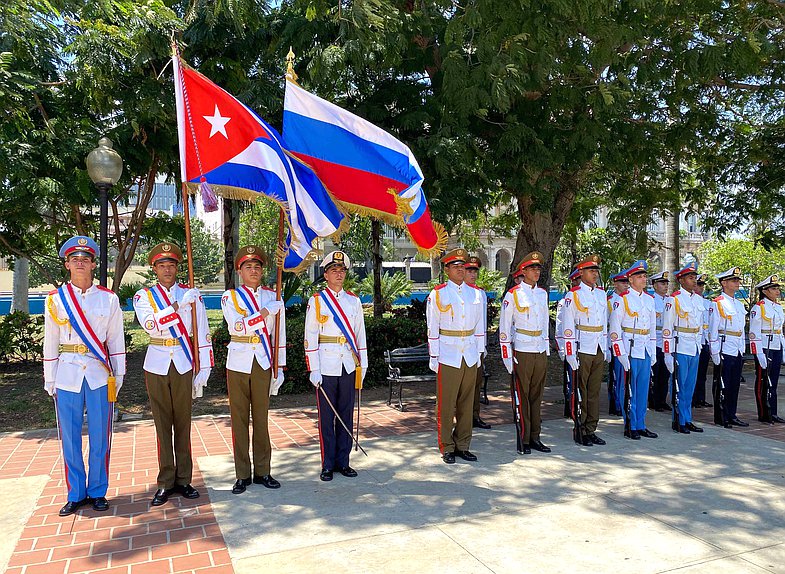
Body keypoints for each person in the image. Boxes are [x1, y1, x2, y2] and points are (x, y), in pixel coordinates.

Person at [43, 236, 126, 516]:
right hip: (66, 373)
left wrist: (120, 372)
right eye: (75, 259)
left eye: (85, 259)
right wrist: (49, 378)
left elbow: (115, 339)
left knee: (101, 435)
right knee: (69, 436)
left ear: (93, 264)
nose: (80, 263)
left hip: (99, 374)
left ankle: (98, 491)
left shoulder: (108, 298)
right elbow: (50, 340)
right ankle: (75, 492)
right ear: (67, 264)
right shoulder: (55, 300)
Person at [133, 243, 213, 506]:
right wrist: (177, 306)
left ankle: (184, 479)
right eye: (162, 265)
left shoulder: (192, 294)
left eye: (172, 265)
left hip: (183, 362)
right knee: (162, 424)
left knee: (183, 423)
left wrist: (205, 368)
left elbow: (201, 332)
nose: (167, 269)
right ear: (154, 269)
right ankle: (165, 481)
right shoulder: (143, 296)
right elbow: (152, 327)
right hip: (156, 363)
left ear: (178, 268)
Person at [221, 246, 286, 494]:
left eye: (258, 266)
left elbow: (278, 335)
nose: (254, 270)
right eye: (248, 267)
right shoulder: (231, 297)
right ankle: (241, 475)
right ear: (239, 271)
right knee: (238, 420)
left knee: (262, 419)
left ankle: (263, 471)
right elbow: (237, 327)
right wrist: (266, 311)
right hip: (238, 361)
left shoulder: (272, 294)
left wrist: (279, 366)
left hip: (263, 361)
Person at [305, 251, 367, 481]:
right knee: (326, 418)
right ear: (326, 274)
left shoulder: (354, 300)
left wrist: (363, 364)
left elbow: (360, 334)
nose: (339, 275)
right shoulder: (317, 301)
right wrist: (314, 368)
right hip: (326, 365)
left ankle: (344, 461)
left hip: (348, 364)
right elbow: (310, 334)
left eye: (342, 271)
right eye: (334, 271)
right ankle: (327, 464)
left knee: (346, 415)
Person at [426, 248, 485, 463]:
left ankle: (463, 444)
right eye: (456, 267)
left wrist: (479, 351)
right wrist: (434, 356)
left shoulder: (475, 293)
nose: (461, 270)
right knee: (446, 403)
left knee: (466, 403)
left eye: (463, 266)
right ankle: (447, 446)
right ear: (447, 269)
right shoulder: (439, 293)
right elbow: (432, 328)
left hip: (469, 352)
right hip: (448, 353)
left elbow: (479, 326)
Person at [499, 251, 551, 454]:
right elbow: (504, 328)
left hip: (538, 346)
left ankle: (535, 436)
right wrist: (507, 356)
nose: (536, 272)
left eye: (538, 268)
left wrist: (546, 346)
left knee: (537, 396)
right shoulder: (513, 295)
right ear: (523, 271)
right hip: (522, 348)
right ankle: (524, 438)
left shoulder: (542, 294)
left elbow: (545, 322)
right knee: (523, 395)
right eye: (532, 269)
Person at [561, 254, 608, 446]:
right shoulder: (573, 295)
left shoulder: (601, 294)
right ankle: (579, 428)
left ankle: (591, 428)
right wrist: (569, 351)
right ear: (581, 273)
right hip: (582, 345)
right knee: (580, 390)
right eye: (591, 270)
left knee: (594, 391)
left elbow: (604, 322)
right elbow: (568, 325)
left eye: (596, 270)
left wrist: (606, 347)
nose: (595, 274)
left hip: (597, 345)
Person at [608, 261, 658, 439]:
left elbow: (652, 328)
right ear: (630, 279)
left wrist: (652, 351)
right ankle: (629, 423)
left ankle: (641, 423)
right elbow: (614, 330)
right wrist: (620, 353)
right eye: (639, 276)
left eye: (644, 276)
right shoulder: (622, 300)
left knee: (643, 388)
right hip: (629, 348)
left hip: (644, 347)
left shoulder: (649, 299)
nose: (644, 279)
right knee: (627, 388)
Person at [662, 263, 704, 434]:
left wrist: (700, 344)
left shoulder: (699, 299)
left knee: (690, 386)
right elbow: (667, 328)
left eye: (695, 278)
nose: (694, 281)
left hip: (694, 345)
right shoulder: (674, 299)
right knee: (679, 385)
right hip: (680, 345)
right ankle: (678, 419)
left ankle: (687, 418)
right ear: (681, 280)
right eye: (690, 278)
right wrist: (667, 352)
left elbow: (701, 326)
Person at [708, 267, 748, 427]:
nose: (737, 283)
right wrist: (715, 351)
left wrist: (742, 346)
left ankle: (732, 414)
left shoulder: (738, 304)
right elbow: (713, 330)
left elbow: (740, 328)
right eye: (734, 280)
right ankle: (721, 416)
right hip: (724, 347)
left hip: (736, 347)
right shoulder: (717, 303)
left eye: (738, 280)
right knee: (722, 384)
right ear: (724, 283)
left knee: (734, 384)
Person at [749, 274, 785, 423]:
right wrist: (758, 352)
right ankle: (764, 413)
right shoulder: (759, 308)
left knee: (774, 381)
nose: (777, 291)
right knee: (763, 380)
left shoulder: (778, 307)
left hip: (776, 345)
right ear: (765, 291)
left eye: (778, 288)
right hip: (764, 345)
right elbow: (754, 332)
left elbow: (780, 330)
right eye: (773, 288)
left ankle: (773, 412)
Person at [464, 256, 491, 430]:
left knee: (475, 384)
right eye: (469, 270)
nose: (473, 274)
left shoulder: (480, 293)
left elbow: (483, 322)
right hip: (461, 344)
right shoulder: (458, 292)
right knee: (462, 387)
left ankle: (474, 415)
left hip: (477, 345)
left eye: (475, 271)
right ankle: (462, 418)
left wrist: (484, 346)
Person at [556, 268, 581, 418]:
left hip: (584, 345)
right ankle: (571, 409)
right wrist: (562, 350)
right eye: (577, 280)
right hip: (571, 347)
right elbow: (560, 327)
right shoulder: (565, 302)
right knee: (571, 382)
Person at [607, 271, 629, 416]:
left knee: (626, 376)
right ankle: (616, 405)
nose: (626, 285)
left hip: (627, 343)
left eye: (627, 282)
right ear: (615, 284)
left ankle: (624, 403)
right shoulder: (609, 301)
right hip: (614, 343)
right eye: (622, 282)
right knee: (616, 377)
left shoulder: (629, 299)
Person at [649, 271, 671, 412]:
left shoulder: (670, 300)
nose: (665, 286)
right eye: (662, 283)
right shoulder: (650, 300)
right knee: (655, 373)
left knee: (665, 373)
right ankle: (654, 401)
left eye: (666, 283)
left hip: (666, 341)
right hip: (655, 339)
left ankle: (662, 400)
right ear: (655, 285)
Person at [692, 274, 713, 408]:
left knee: (702, 373)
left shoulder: (708, 303)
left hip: (704, 340)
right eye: (698, 284)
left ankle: (701, 398)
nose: (700, 287)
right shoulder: (691, 301)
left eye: (702, 285)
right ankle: (693, 399)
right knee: (693, 372)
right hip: (694, 339)